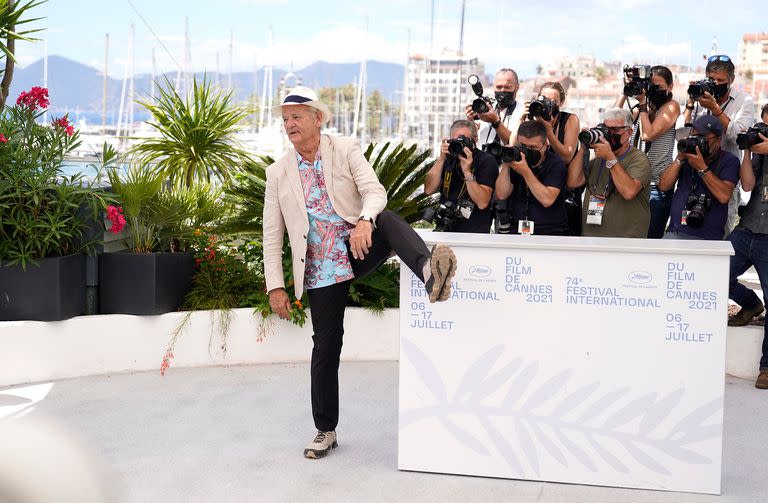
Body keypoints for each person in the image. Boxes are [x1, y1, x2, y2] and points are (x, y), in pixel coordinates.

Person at [263, 86, 457, 459]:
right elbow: (271, 233)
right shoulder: (278, 173)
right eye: (285, 118)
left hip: (356, 246)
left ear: (317, 118)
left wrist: (365, 220)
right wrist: (275, 286)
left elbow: (374, 190)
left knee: (386, 218)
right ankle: (325, 430)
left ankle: (429, 274)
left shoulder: (345, 149)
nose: (289, 124)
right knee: (326, 346)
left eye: (296, 116)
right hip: (319, 267)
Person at [684, 54, 756, 235]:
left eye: (720, 80)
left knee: (721, 237)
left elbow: (738, 138)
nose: (715, 84)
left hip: (726, 177)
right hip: (694, 176)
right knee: (687, 232)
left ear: (731, 80)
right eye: (711, 79)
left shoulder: (744, 101)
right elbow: (683, 134)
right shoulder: (700, 96)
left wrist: (715, 109)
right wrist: (691, 104)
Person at [726, 103, 768, 389]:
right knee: (715, 274)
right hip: (748, 229)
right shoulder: (760, 154)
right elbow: (749, 185)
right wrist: (747, 150)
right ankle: (752, 304)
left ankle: (765, 369)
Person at [616, 65, 681, 238]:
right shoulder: (641, 107)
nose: (653, 89)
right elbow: (613, 119)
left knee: (650, 241)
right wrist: (626, 91)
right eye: (650, 84)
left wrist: (643, 105)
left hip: (655, 187)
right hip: (632, 181)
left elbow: (648, 134)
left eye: (658, 85)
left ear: (670, 86)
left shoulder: (671, 106)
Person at [570, 108, 651, 238]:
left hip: (626, 242)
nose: (609, 134)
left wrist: (610, 157)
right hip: (592, 240)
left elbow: (629, 191)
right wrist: (583, 148)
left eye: (615, 130)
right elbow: (573, 181)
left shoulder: (639, 159)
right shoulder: (597, 159)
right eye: (605, 129)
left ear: (629, 132)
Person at [658, 115, 739, 240]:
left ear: (718, 140)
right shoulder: (687, 156)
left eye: (702, 137)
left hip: (708, 237)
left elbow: (724, 196)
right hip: (676, 231)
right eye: (694, 134)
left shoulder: (729, 160)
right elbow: (663, 186)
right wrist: (679, 159)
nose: (696, 140)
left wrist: (702, 168)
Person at [495, 120, 569, 235]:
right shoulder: (517, 160)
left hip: (550, 232)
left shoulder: (556, 164)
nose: (527, 151)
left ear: (546, 145)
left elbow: (547, 200)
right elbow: (501, 194)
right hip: (518, 230)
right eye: (523, 146)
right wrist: (507, 162)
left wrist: (526, 172)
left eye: (533, 147)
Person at [527, 81, 582, 235]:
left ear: (561, 103)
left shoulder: (570, 120)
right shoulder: (532, 117)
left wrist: (548, 130)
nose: (547, 104)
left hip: (563, 188)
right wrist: (522, 119)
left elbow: (566, 157)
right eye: (543, 99)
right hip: (535, 183)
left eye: (553, 102)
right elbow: (514, 146)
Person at [424, 119, 498, 233]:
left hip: (474, 232)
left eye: (463, 140)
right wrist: (441, 158)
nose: (459, 144)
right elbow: (429, 189)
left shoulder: (486, 161)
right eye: (455, 140)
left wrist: (467, 172)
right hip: (445, 228)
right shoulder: (447, 158)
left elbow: (482, 202)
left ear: (475, 140)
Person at [465, 68, 525, 149]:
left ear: (517, 87)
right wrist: (470, 121)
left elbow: (516, 144)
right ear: (493, 87)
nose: (502, 90)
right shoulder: (484, 107)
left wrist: (495, 122)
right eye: (499, 87)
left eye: (507, 87)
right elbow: (470, 139)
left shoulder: (522, 112)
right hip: (483, 159)